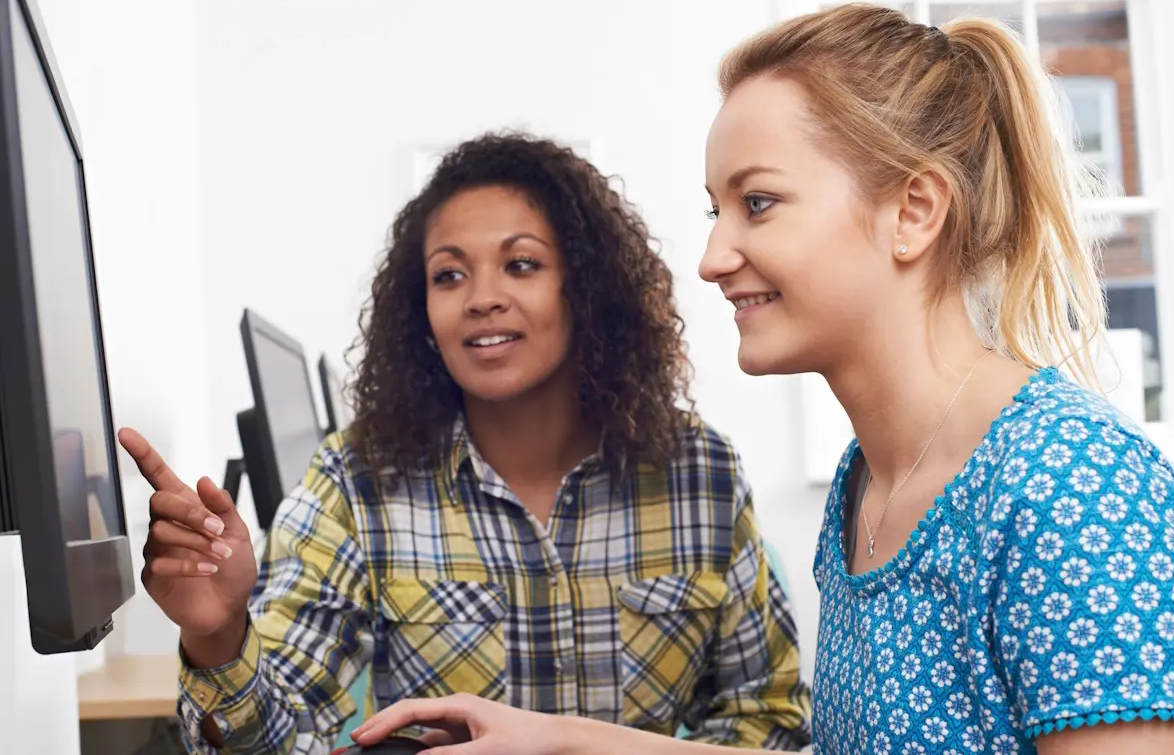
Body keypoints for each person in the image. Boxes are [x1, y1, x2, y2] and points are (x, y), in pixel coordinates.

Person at [351, 4, 1174, 755]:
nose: (713, 258)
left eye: (760, 203)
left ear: (914, 211)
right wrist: (560, 739)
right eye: (718, 210)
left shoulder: (1071, 485)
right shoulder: (870, 479)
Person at [118, 132, 812, 755]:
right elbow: (276, 742)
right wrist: (217, 636)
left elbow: (770, 722)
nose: (482, 297)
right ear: (420, 311)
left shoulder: (700, 472)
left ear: (587, 289)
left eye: (521, 265)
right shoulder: (356, 483)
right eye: (449, 274)